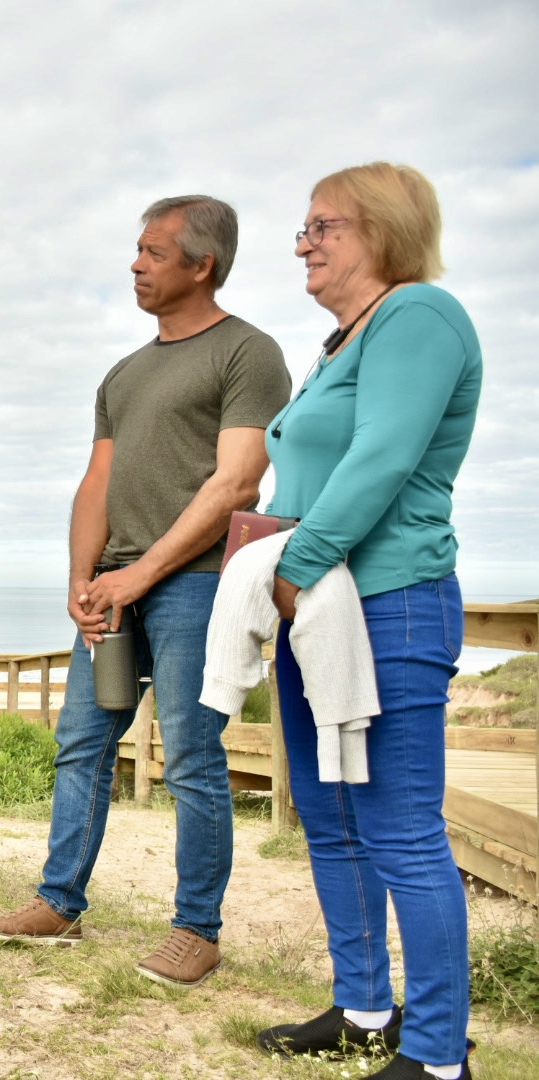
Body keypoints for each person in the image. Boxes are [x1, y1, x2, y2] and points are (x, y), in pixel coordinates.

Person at [0, 197, 290, 973]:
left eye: (152, 251)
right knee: (82, 744)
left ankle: (198, 931)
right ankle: (57, 905)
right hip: (115, 589)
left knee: (189, 756)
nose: (136, 264)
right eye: (137, 250)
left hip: (195, 585)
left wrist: (140, 574)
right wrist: (83, 579)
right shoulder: (124, 372)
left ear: (201, 264)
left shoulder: (249, 352)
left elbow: (237, 483)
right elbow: (98, 483)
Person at [250, 164, 480, 1080]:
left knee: (400, 825)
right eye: (301, 228)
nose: (303, 243)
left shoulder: (419, 316)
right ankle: (365, 1009)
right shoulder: (339, 344)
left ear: (381, 229)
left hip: (386, 602)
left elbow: (383, 457)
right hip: (317, 609)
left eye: (321, 225)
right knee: (330, 814)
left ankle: (434, 1056)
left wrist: (296, 566)